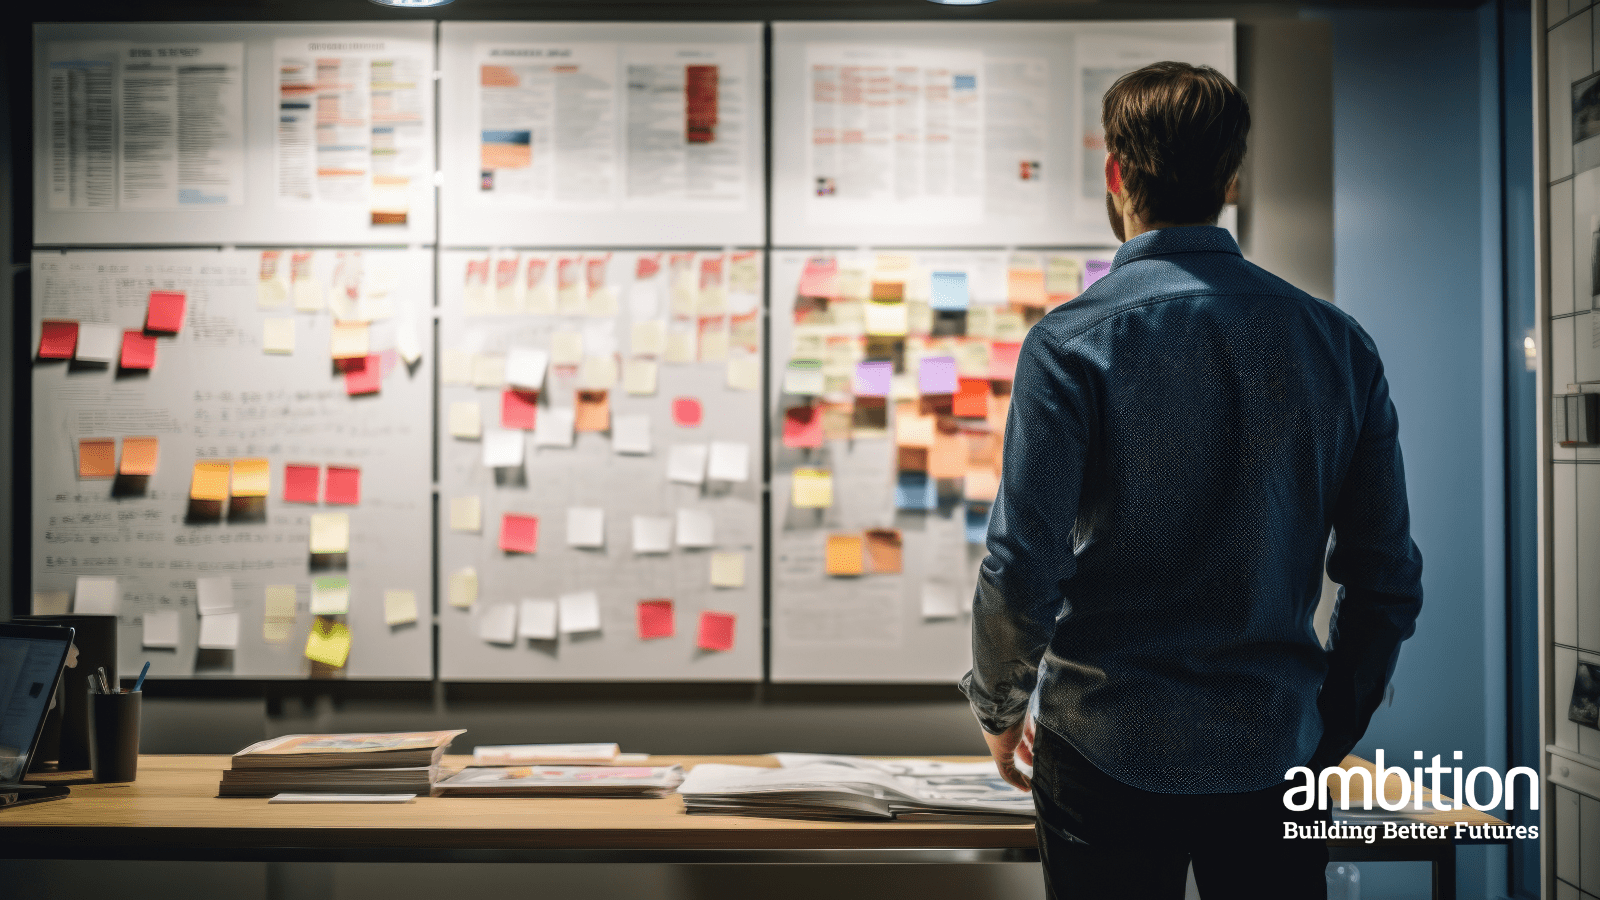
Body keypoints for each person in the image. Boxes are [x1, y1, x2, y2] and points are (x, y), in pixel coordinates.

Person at [960, 61, 1424, 899]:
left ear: (1115, 174)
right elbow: (1385, 574)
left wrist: (1000, 708)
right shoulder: (1337, 344)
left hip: (1103, 746)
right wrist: (1327, 726)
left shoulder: (1071, 343)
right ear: (1231, 179)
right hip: (1275, 744)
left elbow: (1021, 563)